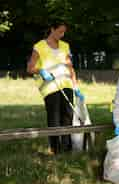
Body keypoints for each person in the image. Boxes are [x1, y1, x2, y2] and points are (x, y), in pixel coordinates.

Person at [27, 21, 84, 154]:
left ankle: (67, 149)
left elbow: (70, 67)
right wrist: (41, 71)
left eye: (64, 32)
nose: (62, 34)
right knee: (54, 118)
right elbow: (30, 68)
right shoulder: (39, 46)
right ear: (52, 29)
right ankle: (55, 149)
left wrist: (75, 86)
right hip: (50, 87)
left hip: (67, 85)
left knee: (68, 117)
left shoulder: (65, 46)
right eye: (59, 31)